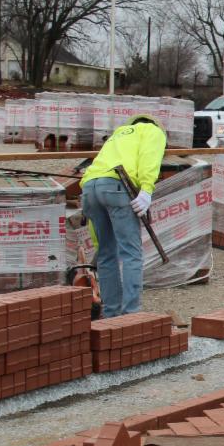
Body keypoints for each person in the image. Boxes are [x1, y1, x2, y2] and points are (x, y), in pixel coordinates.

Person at [79, 113, 167, 318]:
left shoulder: (118, 134)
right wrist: (146, 189)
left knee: (106, 254)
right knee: (131, 254)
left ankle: (111, 313)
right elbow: (149, 158)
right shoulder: (152, 131)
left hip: (90, 188)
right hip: (117, 186)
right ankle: (130, 315)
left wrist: (97, 239)